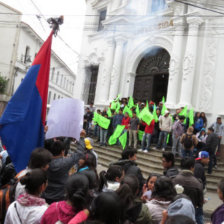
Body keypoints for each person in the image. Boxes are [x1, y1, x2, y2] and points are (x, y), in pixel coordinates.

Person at [173, 157, 204, 224]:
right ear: (192, 167)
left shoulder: (174, 180)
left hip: (174, 214)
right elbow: (200, 203)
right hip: (190, 216)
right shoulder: (198, 183)